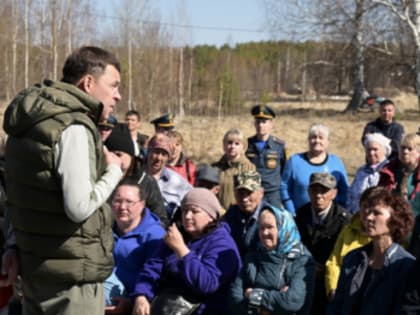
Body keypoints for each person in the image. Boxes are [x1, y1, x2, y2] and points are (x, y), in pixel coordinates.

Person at [1, 46, 123, 315]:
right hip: (71, 283)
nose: (118, 95)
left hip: (35, 272)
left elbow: (23, 197)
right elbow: (78, 207)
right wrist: (113, 171)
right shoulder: (73, 126)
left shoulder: (31, 122)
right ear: (88, 82)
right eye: (113, 85)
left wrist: (13, 245)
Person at [131, 188, 241, 315]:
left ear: (211, 217)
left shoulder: (222, 244)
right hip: (166, 307)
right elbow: (152, 269)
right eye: (185, 211)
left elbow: (207, 284)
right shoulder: (176, 235)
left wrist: (181, 250)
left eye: (195, 211)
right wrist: (141, 295)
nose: (187, 216)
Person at [327, 186, 415, 315]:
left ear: (395, 219)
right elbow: (336, 305)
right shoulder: (353, 258)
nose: (368, 218)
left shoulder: (406, 267)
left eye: (377, 213)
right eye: (368, 212)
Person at [230, 205, 316, 315]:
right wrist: (270, 304)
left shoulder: (301, 260)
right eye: (261, 227)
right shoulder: (253, 256)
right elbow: (235, 297)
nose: (264, 233)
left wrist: (252, 294)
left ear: (283, 228)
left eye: (270, 227)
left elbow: (291, 301)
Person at [104, 179, 165, 315]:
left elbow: (154, 275)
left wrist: (131, 302)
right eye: (117, 201)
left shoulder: (155, 235)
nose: (122, 207)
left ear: (142, 205)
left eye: (129, 202)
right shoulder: (104, 229)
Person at [295, 172, 350, 315]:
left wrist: (325, 271)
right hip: (302, 276)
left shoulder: (344, 221)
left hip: (330, 283)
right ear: (308, 191)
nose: (319, 195)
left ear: (334, 193)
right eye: (314, 190)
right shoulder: (301, 214)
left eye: (324, 191)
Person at [105, 123, 168, 226]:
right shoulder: (100, 179)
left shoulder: (146, 182)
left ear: (131, 157)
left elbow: (161, 220)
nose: (113, 159)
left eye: (118, 155)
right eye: (109, 155)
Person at [281, 123, 349, 216]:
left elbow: (344, 190)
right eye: (313, 137)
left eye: (321, 138)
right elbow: (284, 187)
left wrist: (339, 211)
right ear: (308, 140)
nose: (317, 140)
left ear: (328, 142)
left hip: (330, 218)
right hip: (300, 216)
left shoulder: (336, 162)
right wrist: (291, 211)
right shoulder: (295, 161)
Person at [245, 104, 286, 208]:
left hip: (272, 194)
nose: (260, 125)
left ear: (271, 124)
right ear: (254, 124)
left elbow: (284, 170)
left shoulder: (279, 146)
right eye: (258, 122)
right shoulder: (247, 145)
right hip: (253, 192)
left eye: (264, 122)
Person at [145, 133, 192, 219]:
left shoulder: (178, 182)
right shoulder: (135, 176)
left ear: (168, 158)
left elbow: (194, 201)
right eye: (156, 152)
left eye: (164, 154)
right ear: (148, 152)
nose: (159, 158)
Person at [224, 171, 268, 257]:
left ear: (261, 193)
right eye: (240, 193)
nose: (244, 199)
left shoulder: (272, 217)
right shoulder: (230, 215)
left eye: (249, 193)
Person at [347, 133, 391, 213]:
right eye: (369, 149)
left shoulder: (388, 170)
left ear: (384, 150)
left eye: (375, 149)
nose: (371, 153)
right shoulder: (361, 170)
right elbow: (351, 195)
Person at [213, 128, 256, 209]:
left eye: (237, 144)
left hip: (239, 213)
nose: (232, 146)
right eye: (229, 143)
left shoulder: (249, 167)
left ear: (243, 147)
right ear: (224, 145)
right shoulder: (215, 167)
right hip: (218, 213)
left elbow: (250, 195)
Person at [378, 133, 420, 211]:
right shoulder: (388, 170)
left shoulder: (417, 172)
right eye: (402, 148)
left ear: (418, 153)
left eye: (410, 149)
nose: (405, 151)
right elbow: (380, 196)